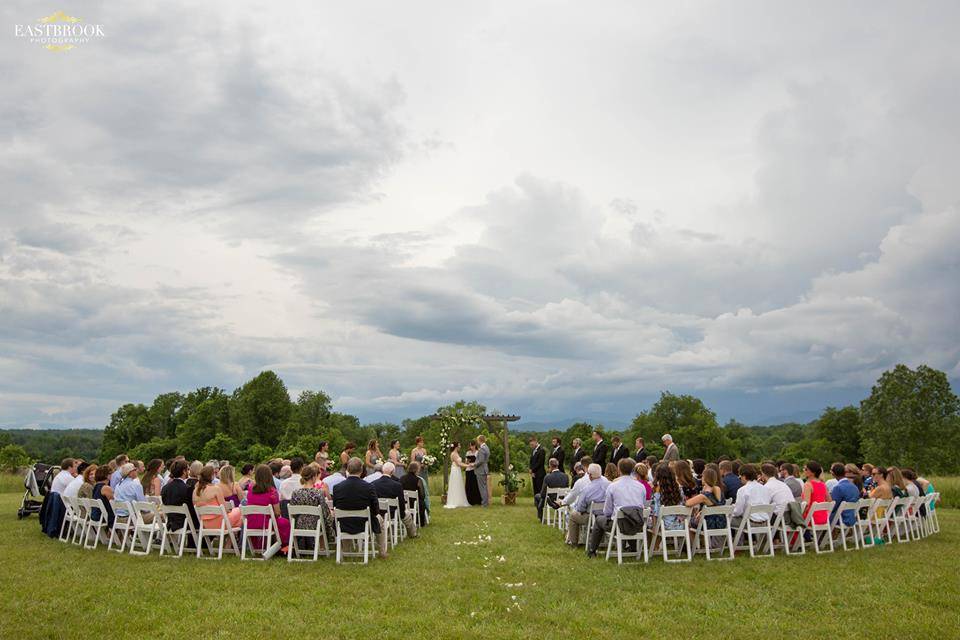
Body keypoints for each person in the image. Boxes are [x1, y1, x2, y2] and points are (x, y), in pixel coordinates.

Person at [587, 458, 647, 556]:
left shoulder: (613, 486)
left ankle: (592, 550)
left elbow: (607, 512)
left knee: (598, 520)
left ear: (619, 470)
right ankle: (633, 548)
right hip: (637, 525)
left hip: (618, 525)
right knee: (629, 518)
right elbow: (641, 505)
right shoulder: (641, 486)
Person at [332, 457, 388, 558]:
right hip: (364, 523)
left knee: (343, 517)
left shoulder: (337, 487)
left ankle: (346, 550)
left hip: (344, 524)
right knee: (380, 519)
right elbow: (376, 509)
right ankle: (382, 551)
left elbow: (336, 506)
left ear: (347, 470)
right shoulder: (369, 487)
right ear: (361, 470)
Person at [289, 464, 335, 549]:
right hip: (316, 524)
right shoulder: (318, 493)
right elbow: (325, 512)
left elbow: (293, 511)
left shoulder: (295, 493)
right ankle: (323, 546)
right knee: (327, 518)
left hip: (299, 524)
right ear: (314, 477)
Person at [245, 464, 291, 548]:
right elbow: (277, 513)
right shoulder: (272, 491)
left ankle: (260, 546)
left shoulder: (250, 489)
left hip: (251, 522)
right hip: (266, 523)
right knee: (285, 523)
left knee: (280, 523)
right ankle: (283, 547)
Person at [565, 463, 609, 546]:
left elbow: (581, 507)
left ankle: (574, 542)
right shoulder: (608, 484)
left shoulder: (587, 489)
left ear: (590, 475)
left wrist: (582, 510)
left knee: (573, 515)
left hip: (591, 517)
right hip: (606, 516)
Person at [372, 462, 417, 538]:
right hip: (393, 513)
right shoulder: (397, 485)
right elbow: (401, 503)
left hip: (378, 513)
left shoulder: (373, 484)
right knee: (407, 515)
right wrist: (402, 512)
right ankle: (413, 534)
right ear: (392, 472)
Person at [194, 465, 242, 530]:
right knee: (240, 511)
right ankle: (232, 538)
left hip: (205, 524)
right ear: (212, 476)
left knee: (237, 517)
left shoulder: (195, 491)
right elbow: (225, 508)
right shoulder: (215, 489)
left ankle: (230, 538)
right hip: (220, 523)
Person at [160, 459, 198, 533]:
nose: (189, 472)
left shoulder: (165, 488)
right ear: (184, 471)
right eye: (188, 469)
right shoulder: (188, 489)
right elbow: (191, 509)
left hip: (170, 522)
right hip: (185, 523)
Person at [730, 464, 771, 530]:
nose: (740, 480)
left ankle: (735, 540)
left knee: (725, 520)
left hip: (750, 523)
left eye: (740, 477)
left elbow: (738, 512)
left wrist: (730, 512)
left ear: (743, 476)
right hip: (765, 523)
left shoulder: (742, 490)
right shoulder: (765, 488)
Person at [685, 467, 726, 531]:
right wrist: (701, 511)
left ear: (704, 478)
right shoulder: (718, 489)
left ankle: (695, 541)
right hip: (721, 522)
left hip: (709, 524)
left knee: (686, 523)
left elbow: (687, 503)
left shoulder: (704, 495)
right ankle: (703, 540)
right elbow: (715, 505)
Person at [652, 462, 685, 531]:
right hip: (680, 525)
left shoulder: (658, 492)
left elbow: (656, 512)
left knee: (647, 524)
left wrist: (654, 527)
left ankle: (654, 541)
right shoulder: (678, 489)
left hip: (664, 525)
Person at [830, 462, 860, 527]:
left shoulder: (838, 488)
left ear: (833, 473)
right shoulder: (854, 487)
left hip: (840, 519)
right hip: (851, 518)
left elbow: (832, 507)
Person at [801, 461, 830, 526]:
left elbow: (806, 504)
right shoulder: (823, 484)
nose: (804, 470)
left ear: (812, 472)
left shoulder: (808, 485)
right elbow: (829, 500)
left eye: (806, 469)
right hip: (824, 518)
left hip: (811, 518)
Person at [401, 461, 428, 526]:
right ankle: (420, 522)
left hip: (404, 502)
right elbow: (422, 495)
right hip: (415, 502)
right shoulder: (418, 480)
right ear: (417, 469)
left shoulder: (402, 478)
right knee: (422, 503)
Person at [445, 442, 471, 509]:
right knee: (455, 485)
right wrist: (468, 466)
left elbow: (460, 463)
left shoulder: (457, 453)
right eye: (459, 445)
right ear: (456, 447)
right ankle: (455, 501)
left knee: (459, 485)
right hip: (455, 471)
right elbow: (458, 464)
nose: (460, 446)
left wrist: (466, 463)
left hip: (457, 470)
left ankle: (459, 500)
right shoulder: (453, 454)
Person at [411, 436, 432, 512]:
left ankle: (426, 498)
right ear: (418, 443)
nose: (422, 443)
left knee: (425, 483)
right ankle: (419, 497)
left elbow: (426, 459)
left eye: (423, 442)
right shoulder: (414, 451)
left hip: (424, 470)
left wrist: (427, 463)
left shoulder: (424, 450)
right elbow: (412, 462)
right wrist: (419, 465)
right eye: (421, 442)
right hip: (418, 470)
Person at [91, 465, 115, 529]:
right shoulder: (106, 488)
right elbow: (114, 503)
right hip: (103, 516)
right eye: (111, 473)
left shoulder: (96, 486)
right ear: (107, 475)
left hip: (96, 514)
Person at [474, 434, 491, 507]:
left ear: (479, 440)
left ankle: (484, 503)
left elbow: (480, 460)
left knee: (482, 487)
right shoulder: (486, 447)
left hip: (481, 470)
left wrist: (474, 464)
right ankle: (485, 502)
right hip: (484, 469)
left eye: (477, 440)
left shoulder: (482, 449)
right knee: (484, 487)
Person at [465, 441, 482, 506]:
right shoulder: (468, 452)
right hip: (468, 470)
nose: (471, 447)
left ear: (475, 445)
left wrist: (474, 463)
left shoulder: (478, 452)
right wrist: (467, 461)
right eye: (470, 446)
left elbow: (479, 461)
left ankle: (477, 500)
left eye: (472, 446)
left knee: (475, 485)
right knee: (469, 485)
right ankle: (469, 501)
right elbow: (466, 462)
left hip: (475, 470)